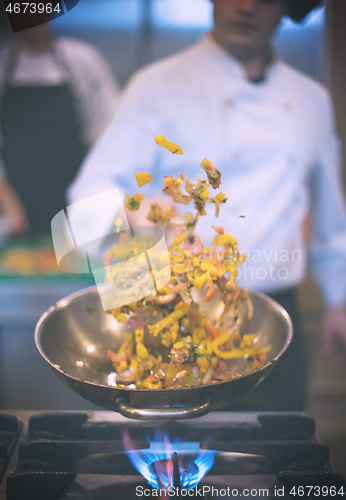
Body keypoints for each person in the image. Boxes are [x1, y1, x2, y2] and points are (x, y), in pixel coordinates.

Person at [68, 0, 346, 410]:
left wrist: (339, 299)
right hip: (172, 323)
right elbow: (84, 197)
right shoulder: (156, 85)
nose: (248, 6)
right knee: (172, 467)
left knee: (276, 457)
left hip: (269, 324)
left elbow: (330, 221)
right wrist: (133, 211)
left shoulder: (312, 101)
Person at [0, 9, 120, 233]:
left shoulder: (83, 59)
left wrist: (96, 191)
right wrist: (7, 201)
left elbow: (109, 131)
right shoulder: (2, 61)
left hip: (75, 191)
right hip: (16, 199)